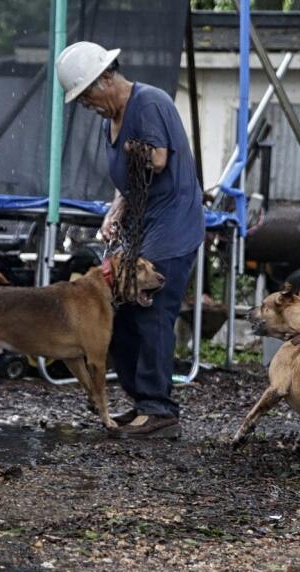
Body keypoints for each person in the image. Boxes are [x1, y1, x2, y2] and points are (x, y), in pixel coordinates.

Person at [56, 41, 204, 439]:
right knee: (117, 307)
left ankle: (160, 409)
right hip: (141, 226)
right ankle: (140, 400)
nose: (87, 104)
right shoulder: (111, 120)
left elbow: (157, 160)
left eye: (87, 95)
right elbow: (127, 182)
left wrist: (137, 150)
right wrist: (114, 212)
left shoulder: (149, 102)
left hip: (172, 225)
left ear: (106, 78)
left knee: (151, 311)